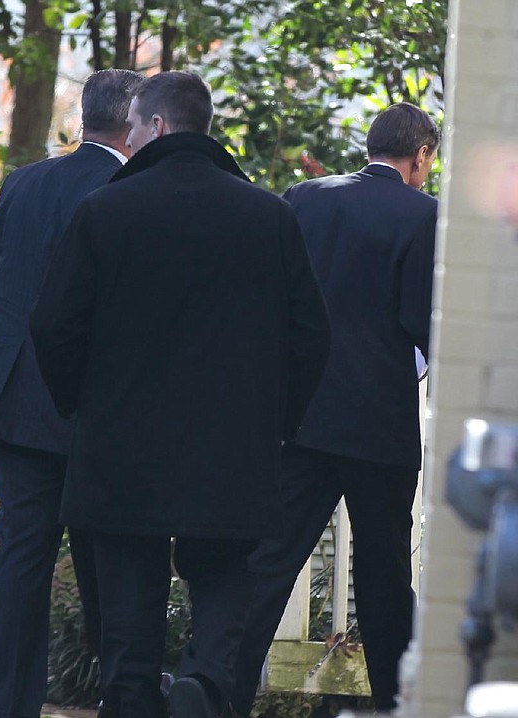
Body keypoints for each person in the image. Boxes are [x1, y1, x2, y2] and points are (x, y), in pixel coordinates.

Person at [29, 70, 331, 718]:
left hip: (121, 446)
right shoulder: (269, 216)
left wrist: (80, 405)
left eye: (133, 128)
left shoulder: (104, 211)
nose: (128, 142)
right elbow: (311, 338)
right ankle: (205, 684)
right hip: (232, 449)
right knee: (224, 578)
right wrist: (275, 422)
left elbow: (53, 326)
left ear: (158, 127)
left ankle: (135, 695)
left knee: (127, 605)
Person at [231, 102, 440, 715]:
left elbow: (276, 298)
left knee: (270, 562)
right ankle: (394, 704)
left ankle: (221, 688)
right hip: (379, 424)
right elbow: (421, 320)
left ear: (370, 146)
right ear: (421, 155)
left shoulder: (306, 197)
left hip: (304, 416)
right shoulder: (424, 214)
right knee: (382, 578)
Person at [0, 68, 144, 718]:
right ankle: (124, 697)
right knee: (111, 566)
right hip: (96, 407)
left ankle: (8, 707)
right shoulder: (134, 190)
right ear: (137, 122)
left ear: (86, 117)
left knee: (20, 556)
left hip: (18, 398)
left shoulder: (24, 182)